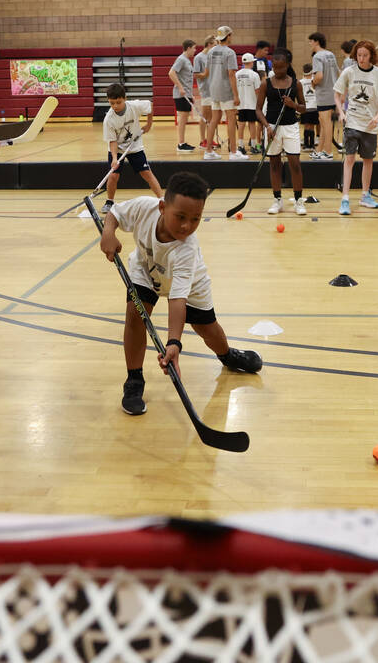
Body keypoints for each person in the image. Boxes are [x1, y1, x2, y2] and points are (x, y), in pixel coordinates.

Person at [97, 171, 263, 416]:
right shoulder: (145, 207)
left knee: (207, 328)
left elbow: (178, 300)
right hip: (146, 268)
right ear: (163, 207)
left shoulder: (187, 249)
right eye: (180, 217)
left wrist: (174, 343)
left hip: (190, 282)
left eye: (196, 219)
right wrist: (108, 233)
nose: (187, 226)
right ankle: (134, 381)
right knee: (135, 315)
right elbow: (114, 214)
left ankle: (227, 356)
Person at [334, 40, 378, 215]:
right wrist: (341, 112)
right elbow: (337, 94)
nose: (361, 59)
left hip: (370, 125)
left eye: (365, 55)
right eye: (359, 55)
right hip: (352, 122)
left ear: (371, 56)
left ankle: (365, 195)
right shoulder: (349, 71)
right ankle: (345, 198)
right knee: (349, 159)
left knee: (368, 160)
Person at [100, 83, 163, 214]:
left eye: (118, 102)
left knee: (147, 173)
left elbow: (149, 105)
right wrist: (115, 158)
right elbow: (112, 141)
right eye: (112, 103)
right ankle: (109, 202)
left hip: (135, 146)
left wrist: (149, 124)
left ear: (125, 98)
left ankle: (162, 200)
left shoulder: (134, 106)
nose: (115, 106)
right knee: (113, 176)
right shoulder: (108, 119)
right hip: (117, 148)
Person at [258, 48, 307, 216]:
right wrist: (267, 126)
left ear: (287, 65)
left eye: (281, 67)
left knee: (295, 163)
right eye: (275, 67)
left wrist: (293, 105)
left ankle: (299, 200)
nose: (278, 71)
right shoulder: (266, 83)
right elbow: (257, 110)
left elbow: (304, 108)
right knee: (274, 165)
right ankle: (277, 200)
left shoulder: (296, 83)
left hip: (291, 127)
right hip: (272, 128)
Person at [205, 26, 241, 160]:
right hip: (226, 89)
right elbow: (231, 74)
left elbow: (208, 71)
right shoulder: (230, 52)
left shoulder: (211, 52)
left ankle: (208, 151)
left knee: (214, 119)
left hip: (213, 89)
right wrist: (236, 95)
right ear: (229, 36)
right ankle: (233, 152)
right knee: (231, 118)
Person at [307, 32, 339, 160]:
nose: (310, 44)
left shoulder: (317, 57)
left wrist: (313, 83)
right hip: (333, 92)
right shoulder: (331, 54)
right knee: (323, 122)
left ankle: (328, 152)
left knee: (326, 123)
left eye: (310, 41)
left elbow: (319, 76)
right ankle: (320, 150)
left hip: (324, 94)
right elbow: (338, 72)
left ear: (316, 41)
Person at [168, 39, 197, 153]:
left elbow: (187, 79)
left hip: (186, 94)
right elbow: (171, 73)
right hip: (180, 95)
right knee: (182, 119)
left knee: (185, 119)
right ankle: (180, 144)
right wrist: (180, 87)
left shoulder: (187, 61)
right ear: (188, 48)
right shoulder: (181, 59)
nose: (195, 51)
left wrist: (191, 95)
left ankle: (182, 142)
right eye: (194, 48)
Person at [235, 52, 263, 154]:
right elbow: (257, 91)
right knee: (252, 124)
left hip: (240, 104)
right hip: (252, 104)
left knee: (241, 124)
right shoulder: (254, 75)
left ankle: (240, 146)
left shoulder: (237, 74)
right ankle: (254, 146)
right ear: (251, 62)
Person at [194, 36, 215, 154]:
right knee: (205, 116)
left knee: (212, 117)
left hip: (214, 90)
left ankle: (210, 139)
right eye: (214, 44)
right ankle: (203, 140)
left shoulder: (212, 56)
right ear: (209, 44)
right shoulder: (199, 58)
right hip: (206, 90)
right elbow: (196, 74)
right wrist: (206, 74)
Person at [299, 63, 319, 150]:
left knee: (306, 126)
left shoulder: (300, 82)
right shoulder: (315, 81)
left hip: (305, 107)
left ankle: (306, 145)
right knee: (312, 126)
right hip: (314, 107)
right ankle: (312, 145)